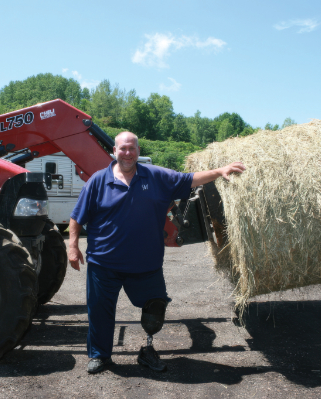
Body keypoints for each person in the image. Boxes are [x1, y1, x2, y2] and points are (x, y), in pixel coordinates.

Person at [68, 131, 245, 374]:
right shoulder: (98, 181)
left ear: (138, 151)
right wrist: (72, 246)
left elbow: (189, 179)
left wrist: (219, 171)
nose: (127, 153)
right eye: (122, 149)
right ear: (114, 151)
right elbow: (77, 216)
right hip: (104, 263)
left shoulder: (157, 177)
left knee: (155, 308)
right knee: (99, 311)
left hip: (145, 264)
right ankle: (100, 356)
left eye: (132, 148)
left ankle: (148, 351)